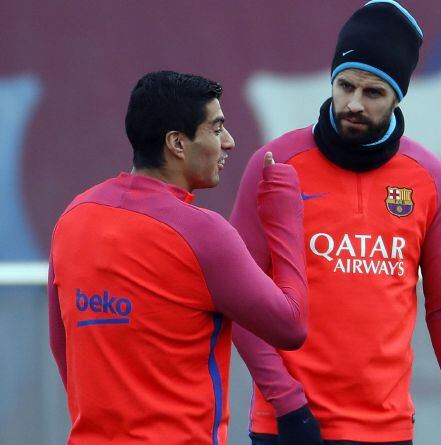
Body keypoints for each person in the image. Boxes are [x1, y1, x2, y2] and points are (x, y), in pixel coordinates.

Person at [230, 2, 441, 444]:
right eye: (344, 85)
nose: (352, 103)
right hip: (287, 427)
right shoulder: (274, 164)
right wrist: (287, 405)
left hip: (385, 429)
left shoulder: (428, 177)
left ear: (397, 97)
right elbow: (238, 298)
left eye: (373, 93)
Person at [48, 70, 309, 445]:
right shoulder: (202, 232)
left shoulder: (73, 217)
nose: (230, 142)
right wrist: (285, 216)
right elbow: (291, 325)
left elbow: (63, 348)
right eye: (216, 129)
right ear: (177, 144)